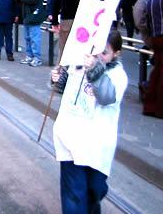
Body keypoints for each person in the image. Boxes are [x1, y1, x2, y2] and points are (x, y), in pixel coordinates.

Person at [51, 31, 128, 214]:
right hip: (71, 139)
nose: (98, 57)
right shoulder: (79, 64)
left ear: (116, 53)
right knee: (74, 194)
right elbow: (64, 87)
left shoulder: (118, 75)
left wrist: (94, 70)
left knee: (95, 189)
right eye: (96, 50)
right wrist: (56, 78)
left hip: (97, 145)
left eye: (104, 52)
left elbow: (107, 97)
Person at [12, 0, 47, 67]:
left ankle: (37, 58)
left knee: (34, 38)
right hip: (27, 16)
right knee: (28, 37)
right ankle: (29, 56)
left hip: (34, 15)